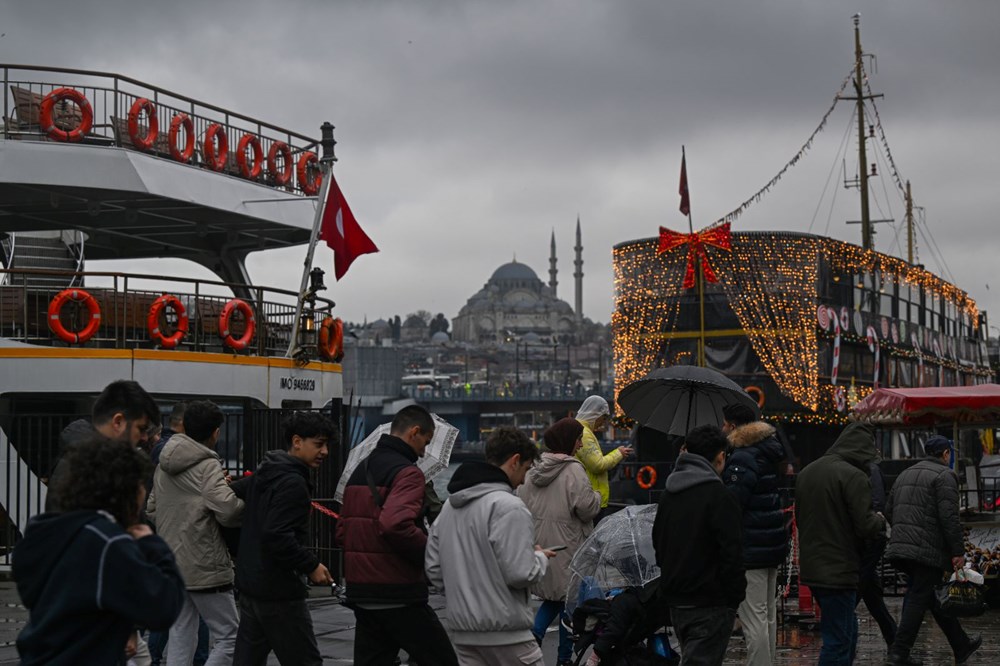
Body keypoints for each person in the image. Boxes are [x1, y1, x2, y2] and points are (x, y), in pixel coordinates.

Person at [13, 434, 185, 665]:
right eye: (140, 485)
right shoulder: (108, 542)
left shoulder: (43, 531)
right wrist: (152, 544)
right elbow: (163, 607)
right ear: (125, 489)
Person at [337, 405, 458, 666]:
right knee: (441, 660)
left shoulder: (360, 470)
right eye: (425, 442)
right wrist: (431, 553)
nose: (424, 451)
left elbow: (341, 530)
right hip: (397, 590)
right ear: (414, 432)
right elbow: (394, 524)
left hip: (361, 590)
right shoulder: (408, 474)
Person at [426, 426, 556, 665]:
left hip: (463, 633)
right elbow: (520, 573)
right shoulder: (510, 506)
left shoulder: (449, 507)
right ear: (515, 461)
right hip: (507, 633)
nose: (525, 479)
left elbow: (434, 569)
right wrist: (540, 558)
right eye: (526, 469)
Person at [232, 410, 337, 665]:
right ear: (297, 441)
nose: (325, 452)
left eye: (326, 445)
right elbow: (277, 534)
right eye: (319, 444)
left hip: (250, 584)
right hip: (279, 590)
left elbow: (232, 494)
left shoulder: (266, 473)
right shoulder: (293, 482)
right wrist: (311, 564)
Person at [146, 400, 244, 666]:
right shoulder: (208, 465)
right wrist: (244, 507)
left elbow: (152, 508)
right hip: (204, 563)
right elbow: (227, 509)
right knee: (231, 636)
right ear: (215, 432)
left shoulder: (163, 463)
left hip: (171, 562)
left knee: (180, 632)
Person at [883, 435, 982, 666]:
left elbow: (889, 509)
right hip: (926, 550)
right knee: (919, 596)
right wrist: (957, 551)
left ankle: (961, 645)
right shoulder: (944, 475)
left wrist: (905, 531)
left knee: (930, 596)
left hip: (902, 547)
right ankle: (898, 653)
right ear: (946, 454)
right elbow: (949, 517)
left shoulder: (905, 474)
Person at [653, 424, 745, 666]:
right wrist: (734, 597)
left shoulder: (669, 494)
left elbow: (658, 543)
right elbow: (732, 553)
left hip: (677, 597)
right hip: (711, 600)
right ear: (720, 456)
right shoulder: (720, 497)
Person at [795, 422, 886, 666]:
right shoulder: (853, 476)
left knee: (845, 632)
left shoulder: (808, 472)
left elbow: (801, 518)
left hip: (814, 567)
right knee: (839, 639)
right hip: (839, 568)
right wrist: (879, 521)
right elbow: (865, 525)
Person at [518, 418, 601, 666]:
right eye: (577, 440)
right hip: (570, 544)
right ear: (569, 441)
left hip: (542, 543)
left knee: (554, 599)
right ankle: (564, 658)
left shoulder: (533, 468)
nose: (579, 445)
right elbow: (587, 509)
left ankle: (533, 637)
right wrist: (596, 495)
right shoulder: (573, 470)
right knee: (570, 604)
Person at [721, 403, 788, 666]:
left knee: (754, 617)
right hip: (770, 542)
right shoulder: (766, 451)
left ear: (734, 426)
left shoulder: (742, 457)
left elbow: (733, 501)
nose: (722, 428)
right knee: (767, 614)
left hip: (751, 545)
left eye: (725, 424)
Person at [46, 378, 161, 511]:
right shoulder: (90, 473)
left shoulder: (89, 465)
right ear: (118, 422)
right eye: (141, 428)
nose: (145, 437)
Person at [856, 461, 896, 648]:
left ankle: (895, 643)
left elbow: (878, 503)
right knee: (871, 594)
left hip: (868, 537)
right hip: (869, 536)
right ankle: (894, 642)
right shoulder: (869, 468)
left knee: (859, 586)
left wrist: (874, 526)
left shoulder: (869, 468)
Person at [575, 395, 632, 521]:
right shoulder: (584, 434)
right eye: (603, 418)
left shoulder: (583, 431)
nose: (603, 422)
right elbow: (597, 465)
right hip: (592, 500)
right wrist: (619, 453)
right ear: (595, 415)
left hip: (590, 498)